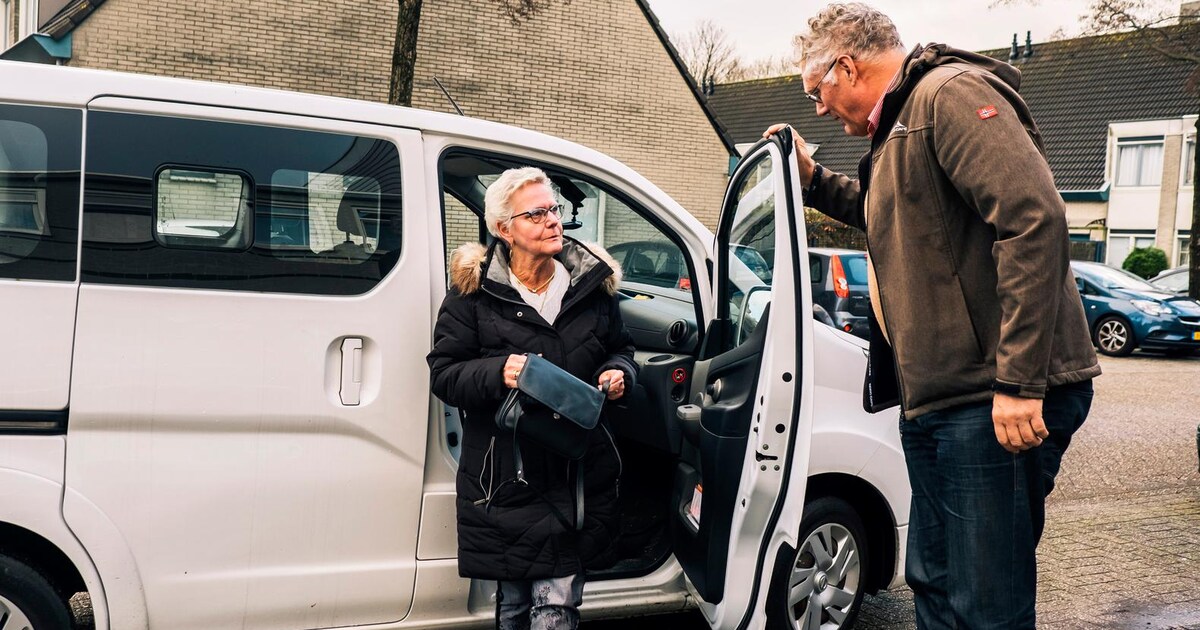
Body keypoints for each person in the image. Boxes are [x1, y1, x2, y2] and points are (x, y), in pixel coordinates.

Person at [764, 4, 1101, 628]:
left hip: (991, 401)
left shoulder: (947, 96)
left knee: (984, 601)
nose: (817, 109)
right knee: (935, 583)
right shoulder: (897, 130)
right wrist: (810, 180)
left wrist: (1019, 383)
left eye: (816, 92)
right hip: (940, 402)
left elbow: (1034, 219)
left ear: (846, 66)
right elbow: (884, 212)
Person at [427, 166, 636, 630]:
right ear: (505, 229)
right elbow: (444, 374)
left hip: (574, 473)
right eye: (537, 213)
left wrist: (618, 373)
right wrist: (500, 370)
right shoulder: (472, 294)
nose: (553, 220)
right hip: (506, 478)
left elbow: (621, 349)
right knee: (515, 605)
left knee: (557, 606)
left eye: (555, 209)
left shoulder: (591, 288)